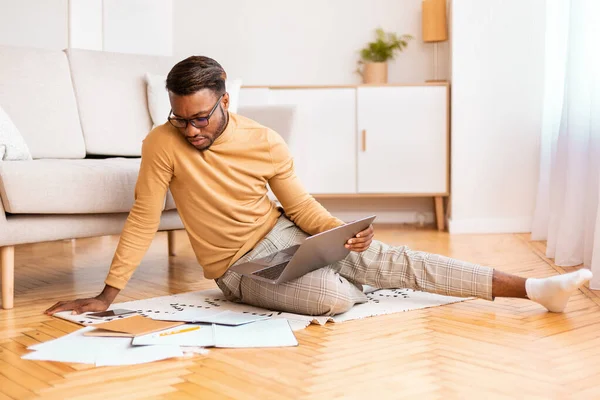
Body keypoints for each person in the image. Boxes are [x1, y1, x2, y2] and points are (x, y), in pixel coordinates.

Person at [45, 56, 592, 317]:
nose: (191, 130)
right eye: (180, 118)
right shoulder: (161, 144)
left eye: (201, 119)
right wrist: (106, 295)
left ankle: (535, 290)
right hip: (237, 269)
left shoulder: (266, 141)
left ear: (225, 102)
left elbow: (300, 207)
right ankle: (342, 272)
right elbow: (143, 217)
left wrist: (342, 234)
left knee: (391, 256)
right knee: (332, 297)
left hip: (284, 236)